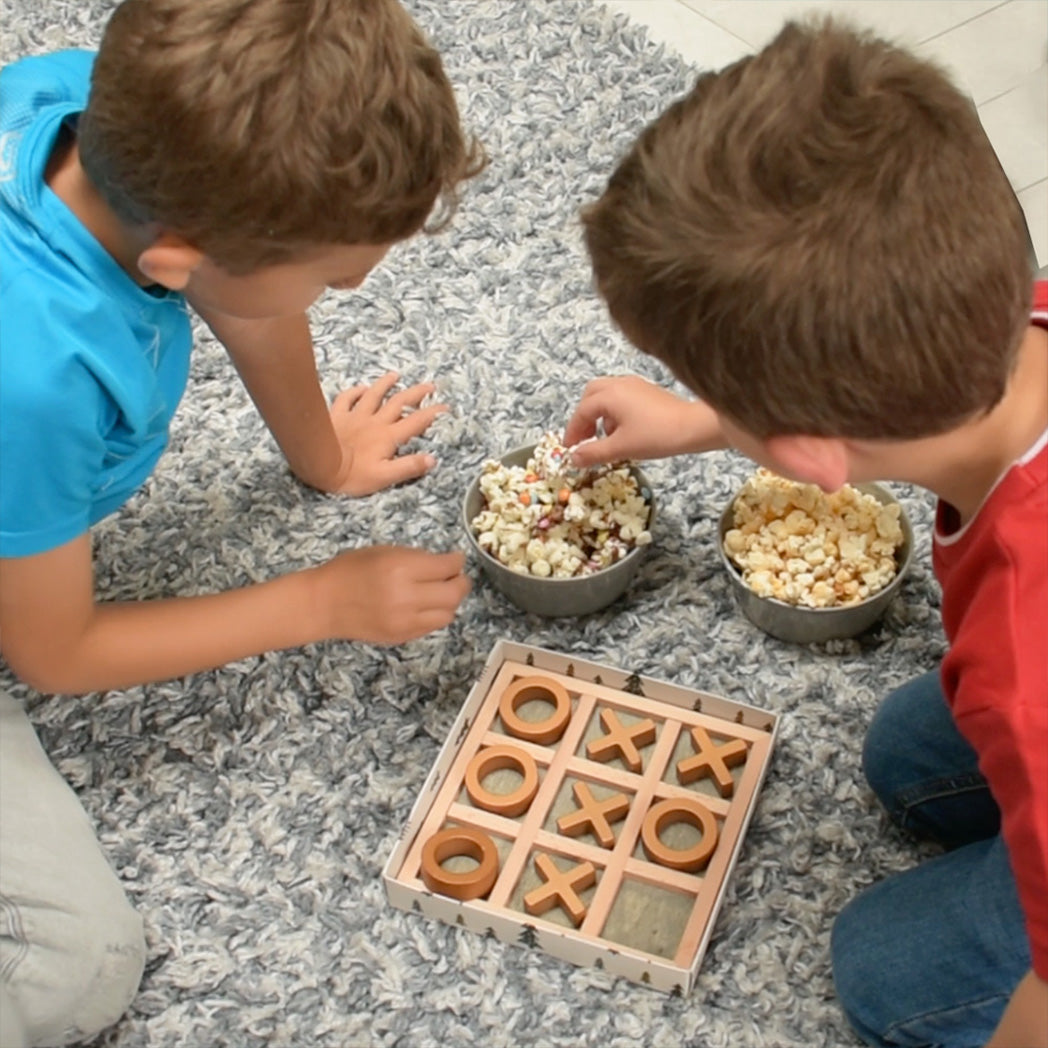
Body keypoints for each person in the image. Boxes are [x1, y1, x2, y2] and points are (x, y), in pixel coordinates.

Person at [0, 0, 481, 1041]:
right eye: (332, 276)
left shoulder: (96, 106)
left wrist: (325, 456)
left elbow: (244, 294)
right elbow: (54, 650)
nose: (346, 288)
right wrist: (319, 601)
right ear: (180, 256)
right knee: (78, 962)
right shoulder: (31, 379)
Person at [564, 19, 1046, 1048]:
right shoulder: (1016, 314)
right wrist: (702, 420)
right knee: (908, 757)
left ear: (808, 456)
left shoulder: (1023, 669)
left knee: (882, 974)